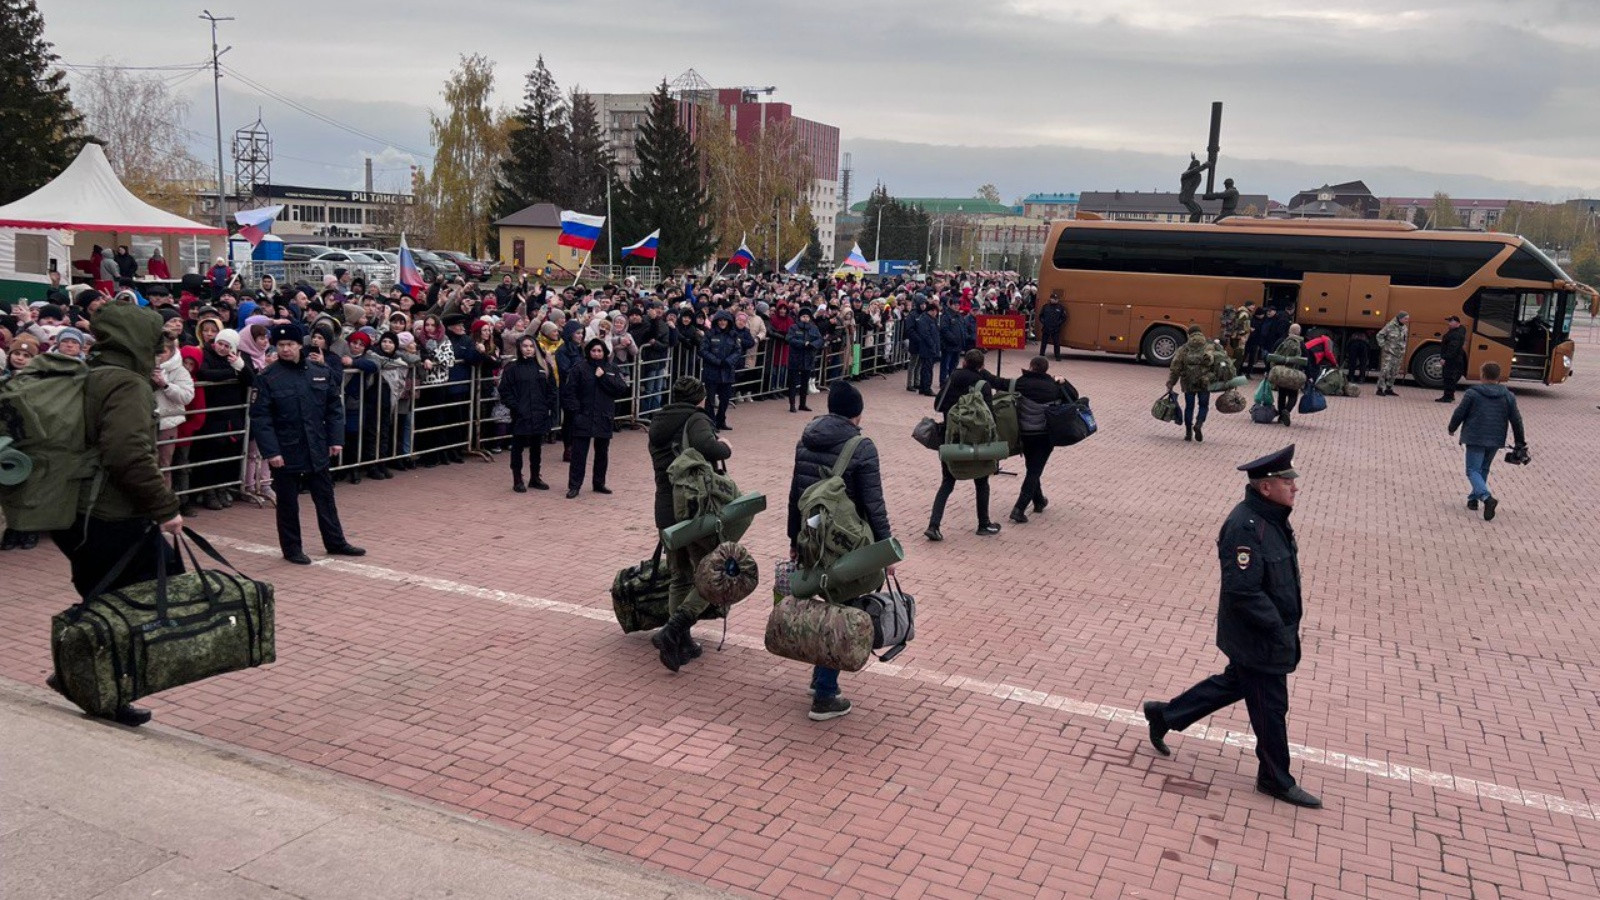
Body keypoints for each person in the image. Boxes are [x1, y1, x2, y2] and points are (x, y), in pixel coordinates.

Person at [1141, 444, 1321, 809]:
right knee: (1271, 709)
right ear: (1265, 487)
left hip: (1267, 634)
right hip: (1258, 636)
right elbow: (1243, 591)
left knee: (1234, 684)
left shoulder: (1272, 519)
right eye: (1287, 481)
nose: (1294, 487)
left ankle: (1165, 714)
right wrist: (1277, 628)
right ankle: (1275, 778)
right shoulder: (1245, 527)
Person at [46, 303, 185, 728]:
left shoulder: (92, 372)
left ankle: (85, 679)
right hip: (107, 511)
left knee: (103, 595)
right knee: (146, 590)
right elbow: (127, 453)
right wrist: (165, 507)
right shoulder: (127, 383)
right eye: (155, 339)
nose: (161, 346)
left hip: (74, 508)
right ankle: (99, 684)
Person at [786, 380, 893, 721]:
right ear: (857, 413)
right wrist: (885, 551)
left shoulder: (806, 437)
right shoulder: (862, 446)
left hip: (810, 535)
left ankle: (821, 677)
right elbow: (874, 504)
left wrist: (793, 540)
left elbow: (795, 495)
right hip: (844, 540)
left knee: (825, 603)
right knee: (842, 608)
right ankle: (825, 693)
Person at [249, 323, 365, 565]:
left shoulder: (318, 371)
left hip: (316, 445)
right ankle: (292, 548)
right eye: (280, 345)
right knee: (288, 502)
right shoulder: (269, 378)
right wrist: (272, 452)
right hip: (286, 448)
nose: (285, 349)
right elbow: (261, 419)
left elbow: (334, 407)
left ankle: (335, 541)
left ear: (300, 345)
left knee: (325, 497)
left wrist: (336, 439)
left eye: (290, 344)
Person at [646, 376, 732, 672]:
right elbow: (709, 448)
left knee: (678, 574)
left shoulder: (658, 421)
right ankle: (674, 629)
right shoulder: (696, 419)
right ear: (700, 398)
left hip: (665, 505)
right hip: (693, 507)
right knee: (709, 572)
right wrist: (724, 446)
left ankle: (680, 641)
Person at [926, 348, 1005, 541]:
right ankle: (983, 524)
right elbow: (990, 417)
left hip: (951, 439)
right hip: (976, 441)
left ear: (963, 362)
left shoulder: (952, 378)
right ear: (981, 366)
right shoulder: (983, 385)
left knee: (947, 482)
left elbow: (937, 405)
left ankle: (933, 526)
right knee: (982, 482)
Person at [1447, 361, 1526, 521]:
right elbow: (1516, 420)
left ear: (1482, 375)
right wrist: (1520, 441)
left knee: (1472, 470)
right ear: (1499, 377)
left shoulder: (1472, 393)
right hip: (1496, 438)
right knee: (1483, 468)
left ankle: (1486, 497)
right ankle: (1473, 499)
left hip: (1475, 436)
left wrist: (1452, 427)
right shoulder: (1508, 396)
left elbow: (1460, 412)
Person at [1008, 356, 1078, 523]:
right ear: (1046, 369)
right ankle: (1019, 508)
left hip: (1025, 434)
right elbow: (1074, 396)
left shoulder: (1021, 383)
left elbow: (999, 383)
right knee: (1034, 471)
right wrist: (1063, 381)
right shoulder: (1053, 386)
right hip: (1045, 435)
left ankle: (1039, 501)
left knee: (1032, 467)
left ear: (1031, 366)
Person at [561, 337, 630, 499]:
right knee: (579, 453)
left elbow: (620, 389)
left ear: (604, 352)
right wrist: (576, 411)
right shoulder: (579, 368)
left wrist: (603, 377)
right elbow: (569, 392)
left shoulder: (611, 368)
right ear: (589, 352)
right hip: (583, 415)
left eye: (599, 351)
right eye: (593, 350)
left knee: (602, 452)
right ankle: (574, 485)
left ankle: (599, 483)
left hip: (603, 416)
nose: (596, 353)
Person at [498, 335, 557, 492]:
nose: (528, 349)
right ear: (520, 348)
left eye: (531, 346)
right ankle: (517, 478)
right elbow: (504, 390)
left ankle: (535, 477)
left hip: (539, 413)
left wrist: (547, 406)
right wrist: (515, 407)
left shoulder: (543, 366)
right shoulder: (512, 368)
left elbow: (552, 389)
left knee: (536, 447)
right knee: (517, 447)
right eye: (525, 346)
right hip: (520, 414)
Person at [1166, 324, 1216, 443]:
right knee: (1203, 405)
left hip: (1188, 381)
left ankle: (1188, 432)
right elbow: (1217, 365)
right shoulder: (1209, 346)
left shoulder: (1184, 348)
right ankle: (1199, 424)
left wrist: (1171, 383)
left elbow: (1176, 367)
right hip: (1204, 381)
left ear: (1189, 335)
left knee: (1189, 407)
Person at [698, 310, 743, 430]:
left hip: (727, 372)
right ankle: (710, 423)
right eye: (720, 320)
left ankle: (721, 421)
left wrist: (728, 361)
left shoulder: (733, 335)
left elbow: (738, 351)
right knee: (711, 400)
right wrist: (717, 361)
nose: (722, 322)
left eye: (725, 320)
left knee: (725, 399)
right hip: (712, 371)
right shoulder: (709, 334)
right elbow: (703, 350)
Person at [785, 307, 822, 413]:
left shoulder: (813, 328)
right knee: (792, 382)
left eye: (807, 316)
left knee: (805, 382)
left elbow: (820, 340)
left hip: (808, 358)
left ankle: (803, 404)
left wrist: (812, 345)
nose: (805, 318)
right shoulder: (794, 327)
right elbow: (789, 339)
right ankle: (792, 404)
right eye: (803, 316)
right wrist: (803, 344)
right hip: (795, 358)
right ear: (800, 317)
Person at [1272, 324, 1305, 427]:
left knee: (1281, 395)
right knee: (1293, 395)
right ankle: (1287, 411)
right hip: (1294, 374)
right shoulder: (1301, 344)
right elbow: (1307, 360)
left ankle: (1281, 417)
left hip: (1282, 373)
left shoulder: (1282, 341)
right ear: (1299, 332)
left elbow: (1273, 355)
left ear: (1289, 331)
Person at [1374, 311, 1409, 396]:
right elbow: (1379, 335)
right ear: (1400, 318)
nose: (1407, 320)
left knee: (1394, 371)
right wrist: (1383, 346)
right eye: (1405, 318)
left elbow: (1404, 340)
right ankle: (1380, 389)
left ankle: (1389, 388)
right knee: (1385, 370)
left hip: (1398, 354)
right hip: (1389, 353)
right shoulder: (1390, 326)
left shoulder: (1404, 328)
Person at [1437, 315, 1467, 402]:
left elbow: (1453, 348)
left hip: (1452, 360)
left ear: (1457, 323)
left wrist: (1445, 358)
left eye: (1451, 322)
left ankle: (1448, 397)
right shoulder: (1458, 331)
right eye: (1448, 321)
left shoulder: (1456, 334)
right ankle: (1450, 395)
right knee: (1450, 378)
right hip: (1455, 359)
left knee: (1448, 377)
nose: (1449, 323)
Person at [1038, 294, 1067, 359]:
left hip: (1055, 328)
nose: (1055, 300)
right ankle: (1041, 354)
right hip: (1046, 327)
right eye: (1053, 299)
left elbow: (1064, 317)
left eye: (1056, 299)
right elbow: (1040, 316)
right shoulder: (1046, 306)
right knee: (1044, 342)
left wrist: (1058, 323)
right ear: (1050, 299)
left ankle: (1057, 356)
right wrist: (1044, 322)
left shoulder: (1060, 307)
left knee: (1056, 343)